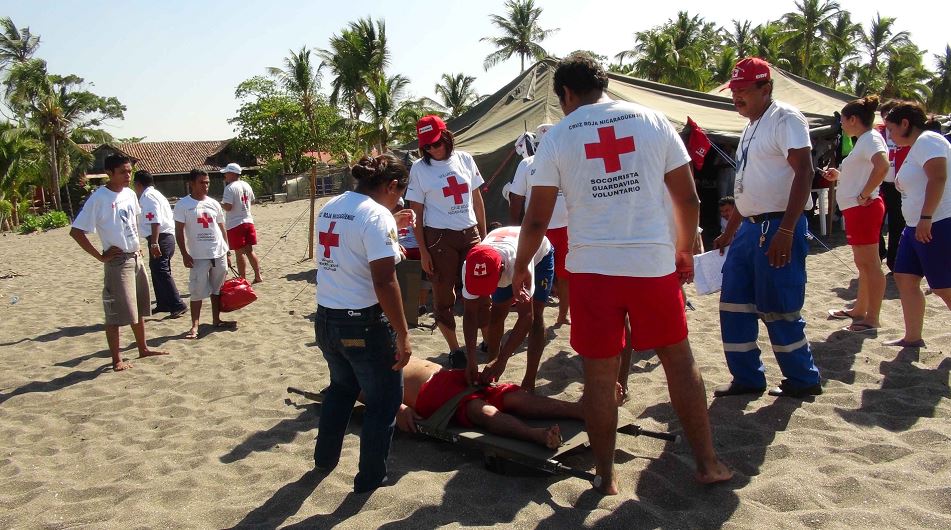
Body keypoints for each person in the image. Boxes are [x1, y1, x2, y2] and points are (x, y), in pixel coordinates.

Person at [512, 53, 732, 495]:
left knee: (597, 374)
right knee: (679, 360)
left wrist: (521, 267)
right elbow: (688, 200)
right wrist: (685, 249)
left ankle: (605, 477)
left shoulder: (557, 137)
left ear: (567, 94)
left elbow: (535, 220)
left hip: (593, 269)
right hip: (651, 265)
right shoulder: (654, 121)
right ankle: (707, 464)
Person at [713, 57, 823, 399]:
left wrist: (787, 230)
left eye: (744, 91)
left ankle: (803, 380)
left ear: (766, 88)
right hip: (748, 228)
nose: (737, 98)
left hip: (778, 224)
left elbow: (804, 172)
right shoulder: (749, 126)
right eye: (734, 91)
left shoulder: (785, 118)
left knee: (779, 305)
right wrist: (730, 231)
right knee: (734, 304)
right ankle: (747, 378)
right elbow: (747, 187)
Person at [313, 154, 415, 493]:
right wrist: (402, 333)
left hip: (327, 317)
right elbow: (385, 281)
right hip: (363, 323)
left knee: (341, 389)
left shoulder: (331, 206)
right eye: (400, 191)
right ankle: (370, 478)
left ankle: (324, 459)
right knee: (384, 401)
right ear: (389, 186)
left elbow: (349, 254)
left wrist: (392, 232)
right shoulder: (376, 216)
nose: (400, 199)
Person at [69, 154, 170, 371]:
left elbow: (133, 222)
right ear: (110, 173)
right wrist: (100, 256)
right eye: (123, 172)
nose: (128, 175)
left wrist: (138, 246)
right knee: (116, 311)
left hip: (135, 255)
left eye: (129, 171)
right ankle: (117, 359)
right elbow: (76, 232)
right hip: (117, 261)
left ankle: (143, 348)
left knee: (140, 307)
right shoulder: (99, 198)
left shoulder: (131, 194)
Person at [394, 357, 625, 449]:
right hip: (429, 395)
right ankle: (536, 435)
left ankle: (579, 411)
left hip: (451, 376)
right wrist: (400, 408)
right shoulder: (360, 364)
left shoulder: (384, 338)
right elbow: (368, 395)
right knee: (479, 410)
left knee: (512, 396)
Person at [406, 115, 487, 367]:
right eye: (427, 146)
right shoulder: (419, 169)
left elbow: (477, 201)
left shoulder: (464, 159)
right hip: (439, 239)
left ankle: (486, 339)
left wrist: (484, 237)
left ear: (447, 137)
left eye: (436, 143)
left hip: (470, 234)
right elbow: (415, 215)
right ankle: (454, 349)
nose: (433, 149)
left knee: (480, 290)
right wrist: (423, 251)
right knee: (443, 296)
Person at [881, 102, 951, 348]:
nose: (889, 136)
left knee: (944, 286)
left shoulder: (929, 140)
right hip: (914, 226)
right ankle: (912, 337)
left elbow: (938, 177)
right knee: (905, 277)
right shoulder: (914, 147)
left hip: (936, 223)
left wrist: (926, 217)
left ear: (905, 124)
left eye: (891, 129)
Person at [822, 96, 889, 332]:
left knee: (870, 264)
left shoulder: (870, 138)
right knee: (863, 264)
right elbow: (865, 170)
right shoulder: (863, 141)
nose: (841, 124)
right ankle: (860, 310)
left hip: (864, 209)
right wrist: (838, 175)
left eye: (842, 120)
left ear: (853, 119)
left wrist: (865, 194)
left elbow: (882, 166)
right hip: (857, 209)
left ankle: (873, 318)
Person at [461, 226, 554, 391]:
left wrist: (503, 359)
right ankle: (491, 369)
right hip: (503, 249)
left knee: (537, 317)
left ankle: (529, 381)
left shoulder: (518, 262)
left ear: (501, 269)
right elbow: (469, 313)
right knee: (496, 316)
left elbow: (526, 316)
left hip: (538, 255)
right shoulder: (470, 265)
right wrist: (472, 360)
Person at [509, 124, 572, 325]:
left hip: (566, 228)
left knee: (564, 274)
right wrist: (516, 228)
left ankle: (563, 314)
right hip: (537, 230)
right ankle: (531, 316)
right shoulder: (527, 164)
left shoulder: (568, 162)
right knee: (532, 273)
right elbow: (516, 197)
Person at [173, 169, 235, 339]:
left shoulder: (214, 203)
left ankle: (216, 319)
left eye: (207, 182)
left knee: (217, 289)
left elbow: (221, 227)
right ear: (191, 184)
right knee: (197, 290)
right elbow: (179, 231)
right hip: (198, 255)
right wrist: (184, 254)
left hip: (218, 252)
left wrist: (227, 251)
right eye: (202, 182)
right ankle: (194, 325)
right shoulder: (183, 205)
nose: (206, 185)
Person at [133, 170, 187, 318]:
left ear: (138, 184)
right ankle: (163, 302)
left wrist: (155, 242)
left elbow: (154, 219)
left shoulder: (148, 197)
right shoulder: (155, 194)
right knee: (157, 269)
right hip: (164, 237)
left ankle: (177, 303)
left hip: (160, 237)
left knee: (161, 270)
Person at [876, 100, 910, 272]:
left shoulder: (906, 135)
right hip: (881, 185)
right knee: (876, 223)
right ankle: (880, 253)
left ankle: (893, 261)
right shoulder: (878, 133)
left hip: (899, 186)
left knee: (897, 224)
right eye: (885, 116)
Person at [221, 163, 262, 284]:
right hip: (248, 220)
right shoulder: (246, 185)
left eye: (227, 173)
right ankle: (258, 275)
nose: (225, 176)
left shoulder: (229, 188)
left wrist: (220, 204)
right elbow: (252, 201)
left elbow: (228, 207)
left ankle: (243, 278)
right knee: (249, 250)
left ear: (232, 174)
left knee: (239, 253)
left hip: (235, 223)